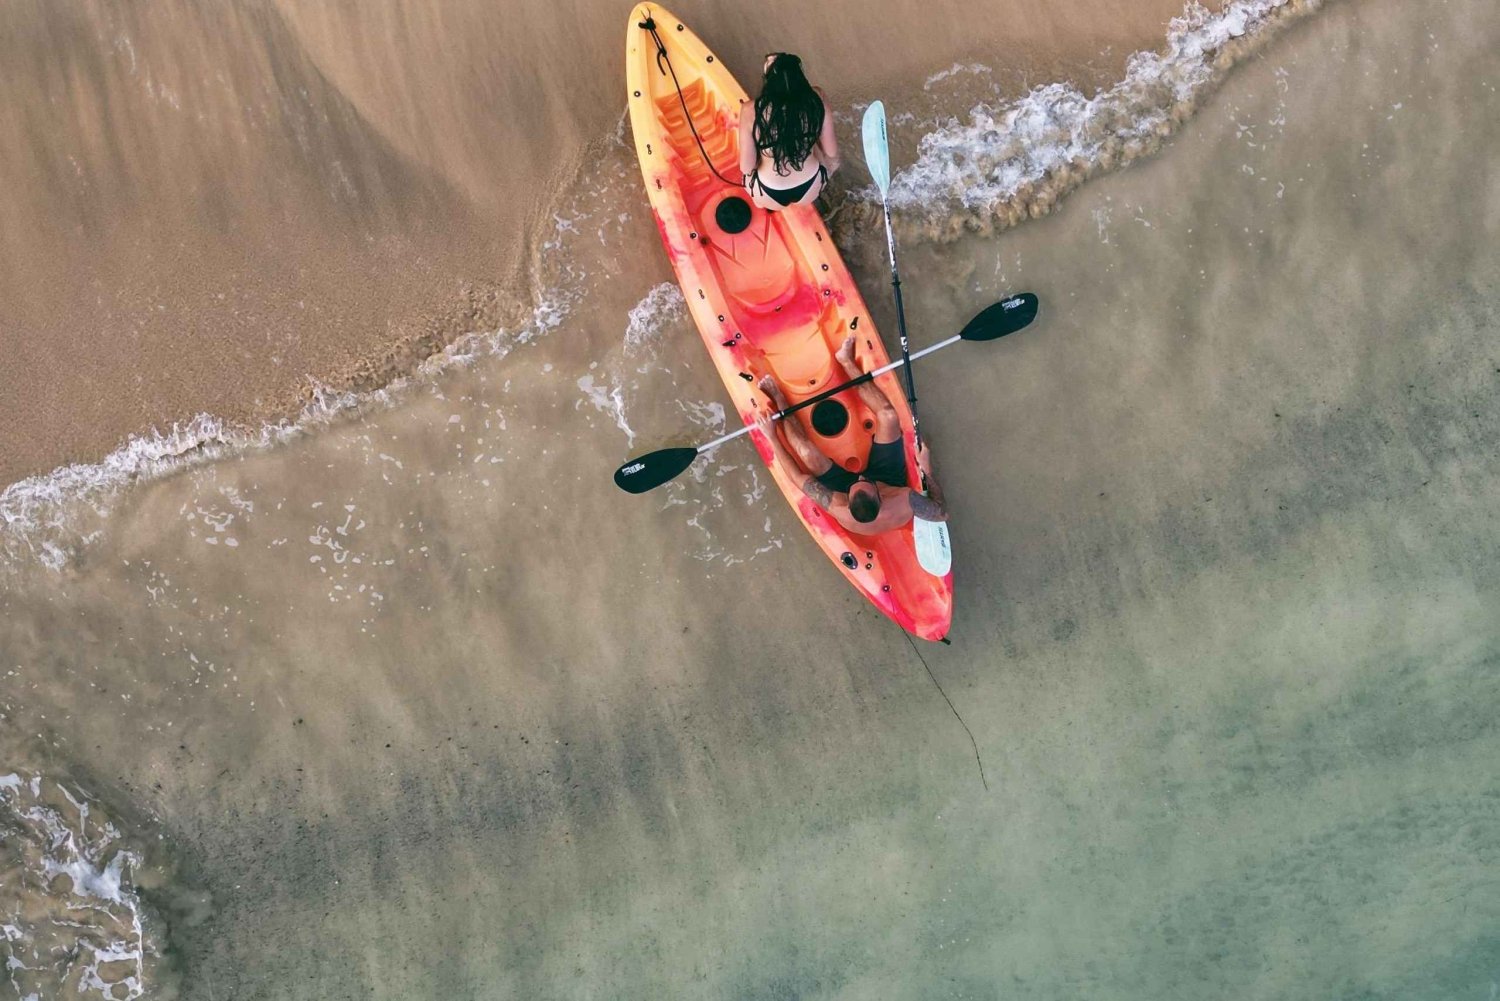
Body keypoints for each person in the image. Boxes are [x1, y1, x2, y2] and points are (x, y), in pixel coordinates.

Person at [754, 335, 947, 535]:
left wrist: (772, 437)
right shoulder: (905, 501)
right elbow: (941, 512)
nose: (861, 475)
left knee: (805, 452)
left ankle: (780, 399)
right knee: (889, 417)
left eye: (859, 481)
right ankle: (846, 360)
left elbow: (796, 477)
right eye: (864, 481)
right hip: (889, 478)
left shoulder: (837, 504)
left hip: (846, 485)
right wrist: (927, 469)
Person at [738, 53, 841, 210]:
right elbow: (831, 151)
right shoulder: (816, 98)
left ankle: (760, 205)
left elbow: (746, 168)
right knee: (815, 146)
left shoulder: (751, 110)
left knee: (753, 167)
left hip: (767, 193)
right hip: (811, 187)